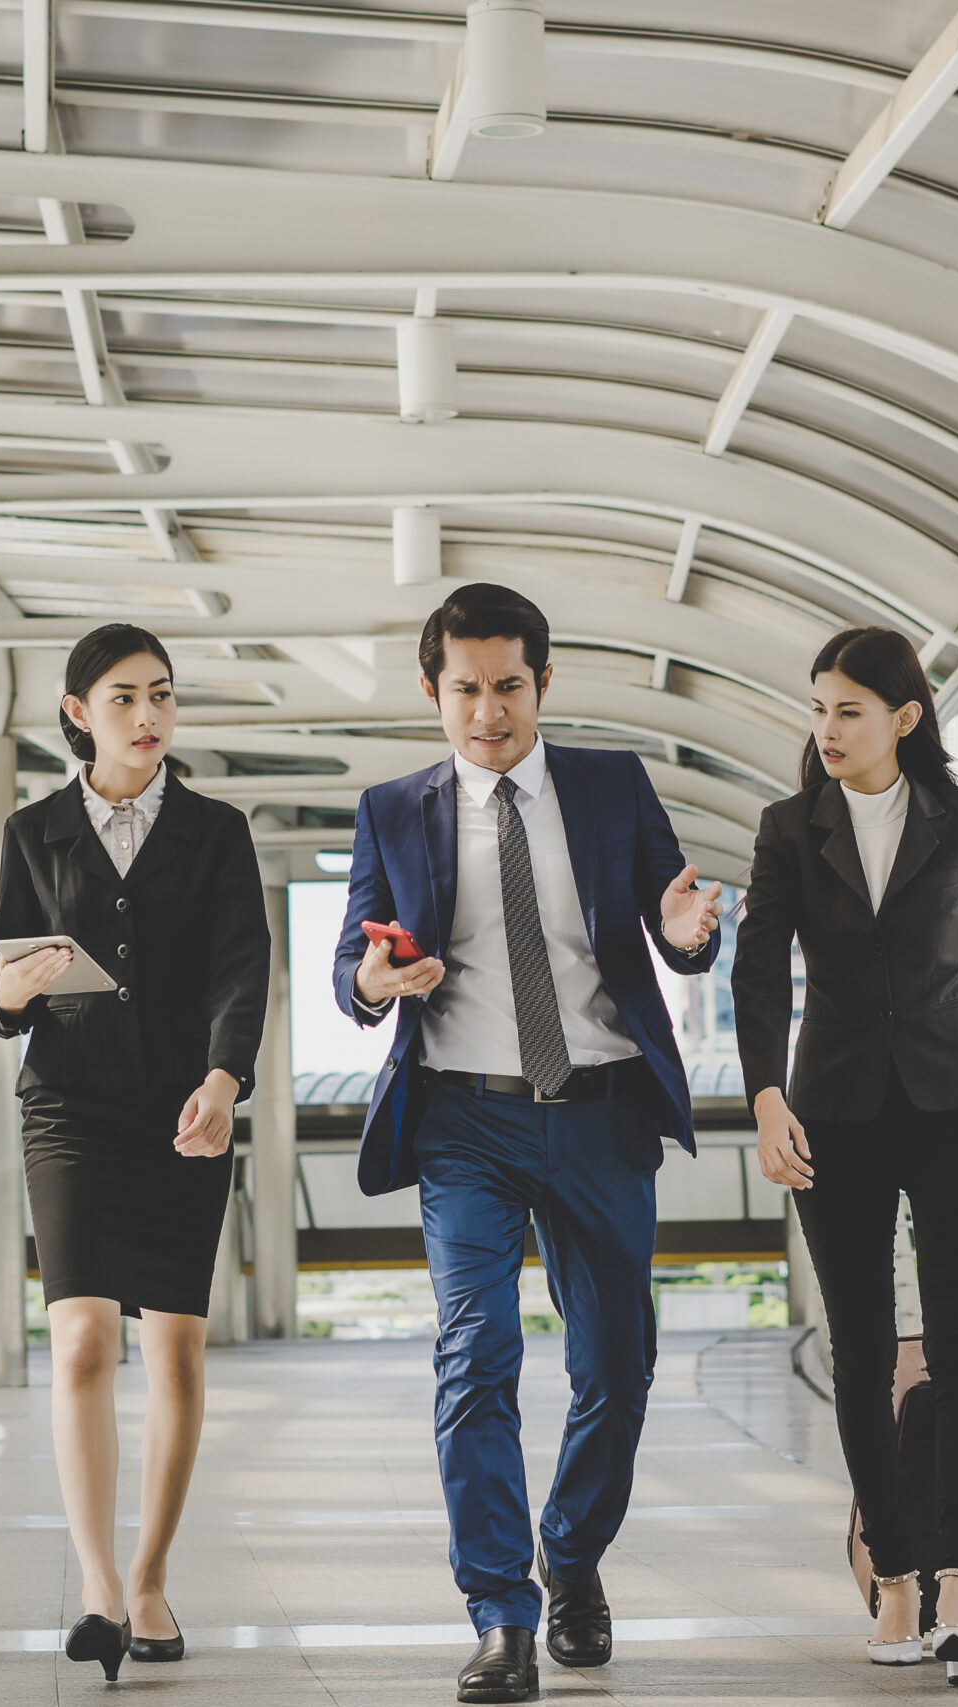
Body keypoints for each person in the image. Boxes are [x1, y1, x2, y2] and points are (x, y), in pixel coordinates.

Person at [333, 583, 724, 1704]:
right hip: (465, 1117)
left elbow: (672, 912)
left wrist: (690, 935)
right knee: (476, 1357)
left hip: (600, 1112)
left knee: (619, 1365)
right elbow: (351, 964)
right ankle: (500, 1610)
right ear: (433, 691)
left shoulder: (609, 785)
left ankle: (573, 1552)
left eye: (508, 686)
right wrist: (373, 977)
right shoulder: (393, 808)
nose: (488, 712)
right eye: (465, 689)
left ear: (542, 683)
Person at [731, 625, 958, 1686]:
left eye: (850, 710)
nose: (826, 729)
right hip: (836, 1110)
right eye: (819, 707)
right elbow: (754, 976)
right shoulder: (789, 829)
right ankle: (896, 1577)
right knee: (862, 1352)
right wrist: (767, 1097)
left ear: (904, 720)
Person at [0, 623, 270, 1682]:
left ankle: (149, 1578)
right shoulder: (32, 832)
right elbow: (4, 989)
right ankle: (98, 1584)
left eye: (161, 695)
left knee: (178, 1352)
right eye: (121, 699)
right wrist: (9, 992)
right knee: (82, 1343)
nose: (147, 716)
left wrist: (224, 1081)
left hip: (184, 1109)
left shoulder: (216, 830)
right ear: (76, 714)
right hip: (67, 1107)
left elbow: (246, 966)